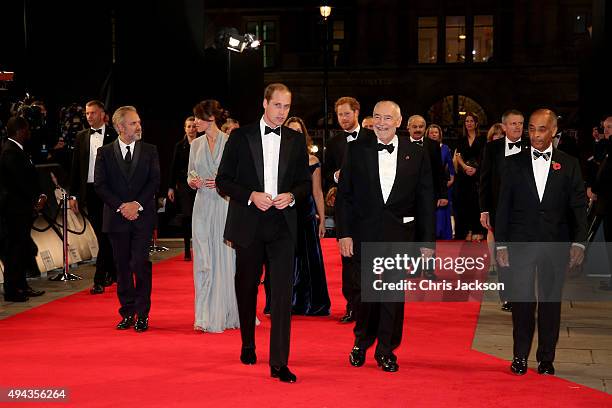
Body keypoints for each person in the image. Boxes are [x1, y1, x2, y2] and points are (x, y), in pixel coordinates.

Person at [216, 83, 311, 383]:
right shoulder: (240, 136)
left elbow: (304, 183)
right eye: (277, 106)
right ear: (265, 103)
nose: (282, 112)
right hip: (249, 223)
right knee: (246, 286)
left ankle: (279, 362)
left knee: (282, 294)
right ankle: (247, 341)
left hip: (282, 225)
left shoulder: (296, 140)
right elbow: (223, 181)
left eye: (287, 107)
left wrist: (292, 196)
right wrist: (250, 195)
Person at [337, 100, 435, 373]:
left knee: (392, 295)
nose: (381, 123)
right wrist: (343, 234)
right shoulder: (356, 149)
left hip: (398, 235)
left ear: (399, 121)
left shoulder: (417, 153)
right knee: (366, 295)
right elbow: (344, 196)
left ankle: (386, 350)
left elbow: (425, 198)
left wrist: (427, 243)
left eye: (387, 118)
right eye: (377, 117)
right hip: (363, 233)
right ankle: (361, 341)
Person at [495, 109, 587, 376]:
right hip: (521, 244)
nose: (535, 135)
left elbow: (578, 207)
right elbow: (504, 207)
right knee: (522, 302)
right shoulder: (513, 163)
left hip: (555, 245)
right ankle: (519, 356)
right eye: (532, 129)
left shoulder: (569, 164)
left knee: (550, 301)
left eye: (542, 129)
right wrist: (501, 245)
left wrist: (579, 243)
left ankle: (546, 358)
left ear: (554, 130)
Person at [94, 106, 160, 332]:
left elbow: (154, 182)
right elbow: (100, 185)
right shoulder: (104, 153)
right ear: (120, 127)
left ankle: (143, 314)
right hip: (116, 218)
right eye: (133, 123)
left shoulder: (150, 150)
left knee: (140, 264)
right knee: (121, 267)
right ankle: (127, 311)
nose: (139, 126)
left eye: (139, 122)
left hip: (142, 217)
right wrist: (122, 206)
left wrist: (136, 205)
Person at [187, 100, 239, 333]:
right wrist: (193, 181)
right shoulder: (195, 144)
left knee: (225, 258)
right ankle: (203, 315)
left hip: (224, 205)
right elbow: (190, 174)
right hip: (202, 206)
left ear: (210, 119)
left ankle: (226, 312)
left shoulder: (230, 143)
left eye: (198, 118)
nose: (194, 122)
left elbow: (238, 178)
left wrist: (221, 181)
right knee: (203, 259)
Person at [479, 110, 528, 312]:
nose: (517, 127)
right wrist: (484, 210)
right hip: (500, 210)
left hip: (526, 211)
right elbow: (485, 180)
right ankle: (508, 296)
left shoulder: (531, 147)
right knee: (503, 253)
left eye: (521, 123)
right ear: (504, 126)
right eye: (513, 123)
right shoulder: (492, 149)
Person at [70, 100, 118, 294]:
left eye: (92, 113)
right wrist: (73, 195)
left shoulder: (114, 135)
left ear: (102, 114)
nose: (89, 116)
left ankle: (100, 276)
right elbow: (76, 168)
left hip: (109, 191)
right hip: (89, 191)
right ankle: (111, 271)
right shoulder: (81, 137)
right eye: (87, 113)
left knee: (107, 232)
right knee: (102, 233)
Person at [285, 116, 331, 316]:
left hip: (306, 214)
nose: (295, 134)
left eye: (298, 131)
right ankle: (284, 302)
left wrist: (322, 218)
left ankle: (312, 303)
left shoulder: (312, 160)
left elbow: (318, 191)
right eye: (291, 130)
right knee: (285, 259)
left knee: (309, 259)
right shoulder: (276, 158)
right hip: (284, 213)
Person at [0, 116, 47, 302]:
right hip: (14, 211)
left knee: (20, 249)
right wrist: (36, 198)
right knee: (14, 251)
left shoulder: (16, 150)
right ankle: (12, 290)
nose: (29, 132)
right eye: (27, 129)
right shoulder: (10, 152)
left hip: (20, 209)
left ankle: (21, 285)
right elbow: (21, 182)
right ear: (19, 131)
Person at [325, 96, 361, 323]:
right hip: (345, 210)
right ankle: (352, 307)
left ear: (356, 112)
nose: (343, 119)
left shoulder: (370, 137)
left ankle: (369, 307)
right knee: (347, 260)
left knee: (368, 258)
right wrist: (335, 177)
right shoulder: (335, 143)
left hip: (369, 210)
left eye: (347, 114)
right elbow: (326, 174)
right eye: (339, 115)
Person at [168, 116, 199, 261]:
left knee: (200, 218)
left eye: (194, 126)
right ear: (185, 128)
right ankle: (187, 250)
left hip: (201, 185)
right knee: (187, 217)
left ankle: (200, 248)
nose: (191, 129)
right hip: (184, 186)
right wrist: (170, 187)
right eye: (189, 126)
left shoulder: (203, 144)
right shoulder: (179, 146)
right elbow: (173, 167)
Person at [454, 112, 487, 241]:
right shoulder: (460, 138)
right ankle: (466, 231)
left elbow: (484, 156)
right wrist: (465, 167)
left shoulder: (482, 139)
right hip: (463, 175)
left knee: (476, 204)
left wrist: (476, 169)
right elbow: (458, 155)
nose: (469, 123)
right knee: (464, 204)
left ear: (476, 123)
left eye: (471, 121)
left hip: (478, 175)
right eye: (467, 121)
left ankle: (478, 231)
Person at [593, 115, 612, 291]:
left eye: (609, 127)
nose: (606, 131)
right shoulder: (607, 146)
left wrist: (596, 189)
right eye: (604, 127)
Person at [426, 124, 454, 240]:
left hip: (442, 181)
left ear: (439, 134)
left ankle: (442, 232)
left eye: (436, 132)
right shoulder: (423, 146)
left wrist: (452, 178)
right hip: (427, 180)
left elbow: (450, 164)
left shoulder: (445, 148)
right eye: (431, 132)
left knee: (442, 207)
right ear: (427, 134)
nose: (433, 134)